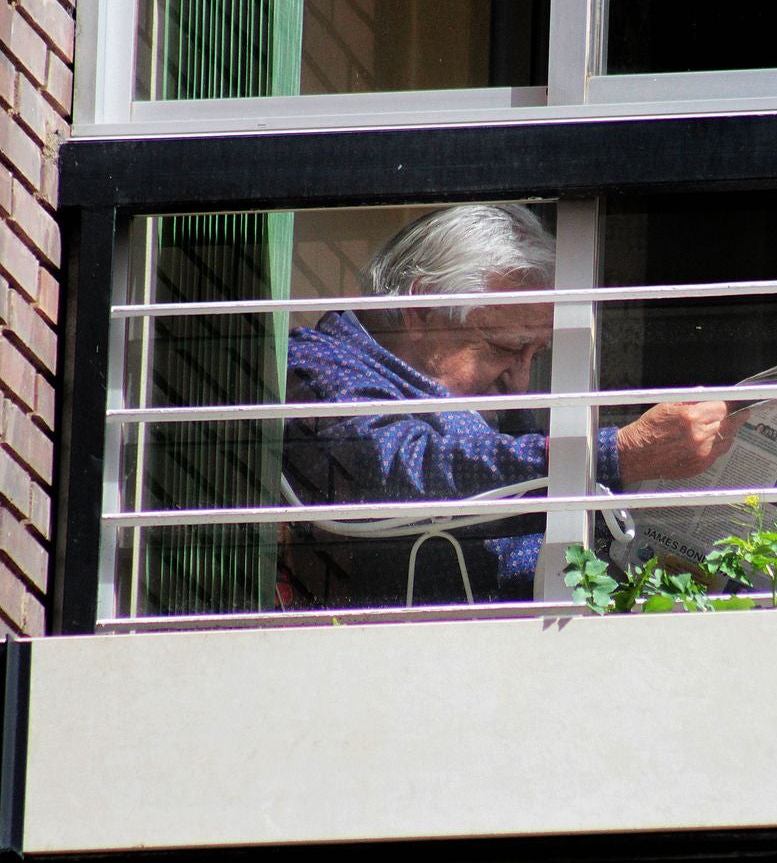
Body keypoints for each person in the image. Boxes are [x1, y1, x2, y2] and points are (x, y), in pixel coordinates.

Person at [282, 204, 741, 606]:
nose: (520, 382)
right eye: (503, 349)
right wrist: (614, 454)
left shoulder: (490, 399)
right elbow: (396, 468)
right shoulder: (317, 365)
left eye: (533, 357)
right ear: (422, 308)